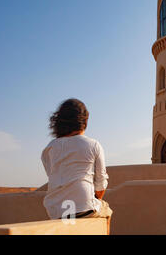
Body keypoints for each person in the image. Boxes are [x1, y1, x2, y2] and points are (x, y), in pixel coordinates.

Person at [41, 98, 113, 233]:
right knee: (107, 211)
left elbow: (53, 175)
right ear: (85, 121)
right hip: (84, 207)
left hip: (55, 210)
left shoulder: (48, 149)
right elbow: (101, 183)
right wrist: (95, 199)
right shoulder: (94, 145)